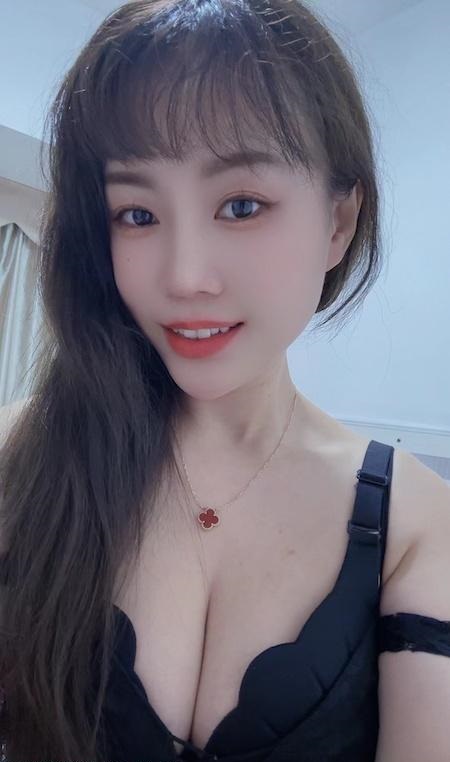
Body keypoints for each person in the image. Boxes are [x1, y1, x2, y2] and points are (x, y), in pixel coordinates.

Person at [0, 0, 449, 760]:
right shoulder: (21, 454)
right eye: (136, 214)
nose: (184, 277)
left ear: (339, 223)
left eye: (241, 206)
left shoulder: (416, 521)